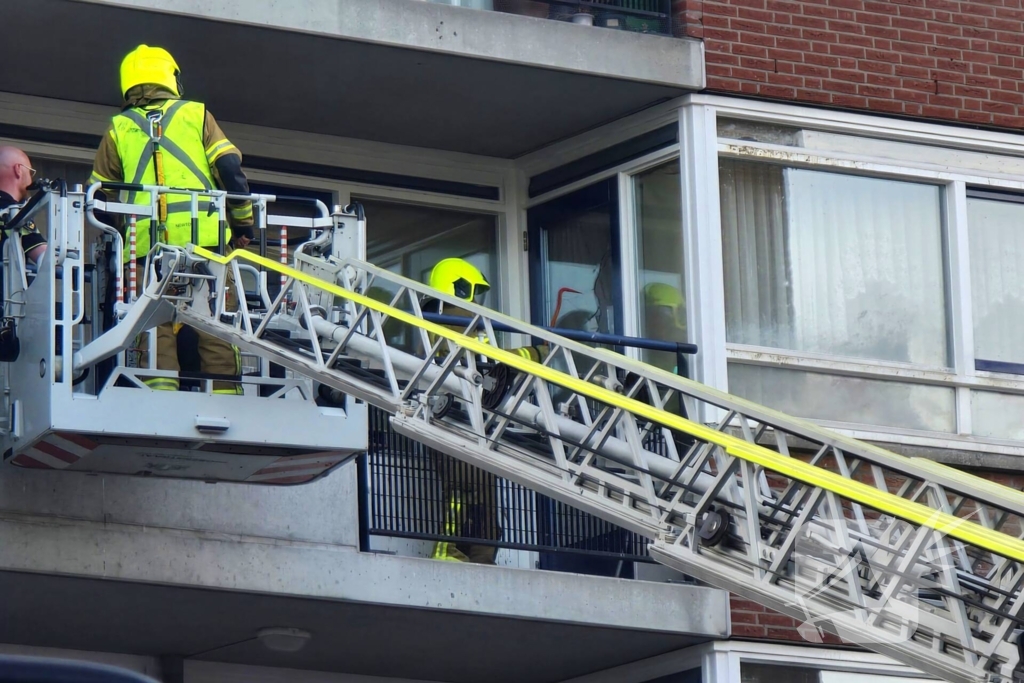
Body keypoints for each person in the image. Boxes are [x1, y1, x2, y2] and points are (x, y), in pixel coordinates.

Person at [89, 45, 254, 394]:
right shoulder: (197, 114)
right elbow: (229, 169)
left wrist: (122, 240)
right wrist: (243, 227)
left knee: (153, 322)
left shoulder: (118, 128)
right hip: (205, 241)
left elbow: (99, 198)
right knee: (215, 323)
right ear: (171, 76)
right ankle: (225, 395)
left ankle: (160, 392)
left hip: (145, 247)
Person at [423, 257, 502, 565]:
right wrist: (532, 353)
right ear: (456, 288)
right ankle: (450, 553)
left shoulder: (456, 321)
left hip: (475, 422)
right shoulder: (443, 320)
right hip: (453, 420)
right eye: (471, 292)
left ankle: (477, 557)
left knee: (482, 500)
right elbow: (466, 359)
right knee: (464, 492)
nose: (475, 303)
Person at [0, 147, 46, 266]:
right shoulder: (14, 213)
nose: (31, 179)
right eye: (30, 172)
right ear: (18, 170)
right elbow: (45, 257)